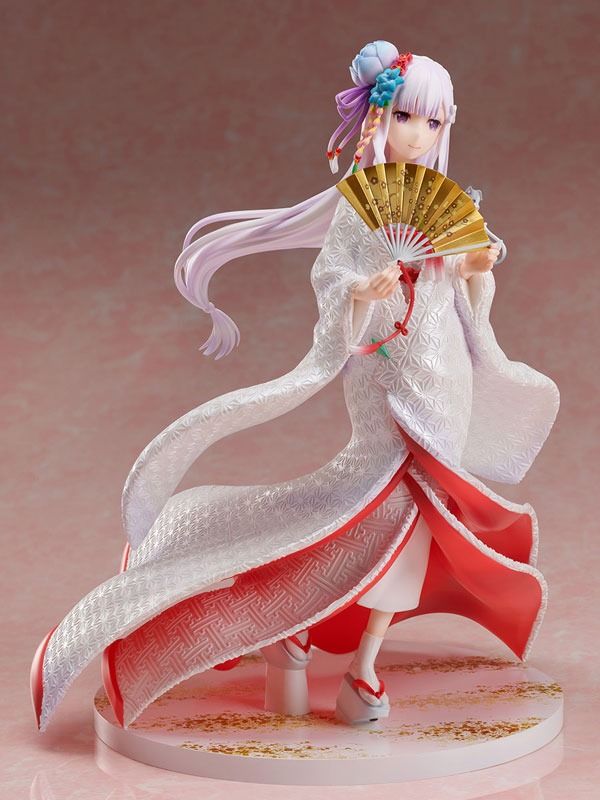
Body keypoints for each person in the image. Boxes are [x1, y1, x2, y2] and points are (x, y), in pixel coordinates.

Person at [31, 41, 559, 731]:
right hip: (385, 376)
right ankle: (318, 642)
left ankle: (343, 652)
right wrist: (361, 293)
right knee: (378, 506)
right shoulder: (361, 208)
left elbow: (469, 276)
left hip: (444, 377)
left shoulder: (446, 203)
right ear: (377, 117)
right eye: (405, 116)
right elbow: (331, 280)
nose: (419, 135)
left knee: (420, 519)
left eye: (433, 122)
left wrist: (478, 266)